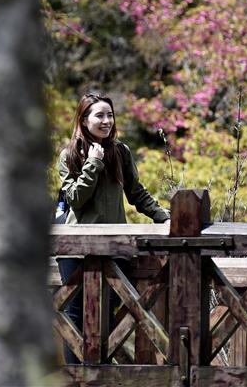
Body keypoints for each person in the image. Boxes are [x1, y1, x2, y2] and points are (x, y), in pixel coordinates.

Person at [56, 92, 169, 363]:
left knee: (106, 316)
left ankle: (100, 377)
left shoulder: (121, 152)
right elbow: (75, 199)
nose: (106, 121)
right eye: (99, 115)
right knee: (74, 319)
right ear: (84, 120)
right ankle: (75, 381)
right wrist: (93, 164)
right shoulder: (69, 154)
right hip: (75, 249)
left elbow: (137, 193)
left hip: (114, 247)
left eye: (110, 115)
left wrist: (163, 217)